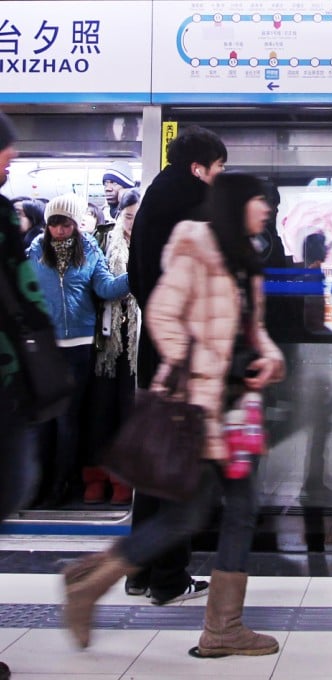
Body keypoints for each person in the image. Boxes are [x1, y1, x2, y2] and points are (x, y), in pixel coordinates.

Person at [62, 173, 285, 657]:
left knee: (215, 511)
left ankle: (95, 582)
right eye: (259, 201)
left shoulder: (245, 257)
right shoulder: (196, 248)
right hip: (199, 406)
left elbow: (251, 329)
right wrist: (208, 363)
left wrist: (267, 356)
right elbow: (162, 315)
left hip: (235, 409)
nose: (266, 209)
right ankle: (215, 625)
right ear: (236, 204)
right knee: (202, 513)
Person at [124, 125, 226, 604]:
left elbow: (135, 276)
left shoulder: (152, 202)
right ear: (198, 168)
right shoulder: (192, 208)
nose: (220, 177)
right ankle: (169, 577)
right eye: (219, 168)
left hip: (155, 345)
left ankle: (140, 570)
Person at [24, 194, 130, 508]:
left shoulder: (90, 250)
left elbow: (106, 288)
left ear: (75, 224)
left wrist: (137, 272)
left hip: (79, 346)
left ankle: (62, 485)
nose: (59, 230)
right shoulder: (34, 252)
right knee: (43, 421)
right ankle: (38, 486)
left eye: (66, 223)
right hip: (44, 347)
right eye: (54, 223)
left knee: (67, 420)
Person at [0, 111, 46, 680]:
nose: (8, 168)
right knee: (10, 483)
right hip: (7, 374)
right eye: (5, 158)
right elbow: (24, 290)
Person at [81, 189, 142, 505]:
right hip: (105, 339)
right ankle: (96, 477)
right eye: (128, 216)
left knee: (129, 412)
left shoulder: (153, 242)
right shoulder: (104, 241)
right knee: (100, 411)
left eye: (137, 217)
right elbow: (97, 285)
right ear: (119, 216)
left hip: (137, 340)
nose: (132, 223)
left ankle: (123, 480)